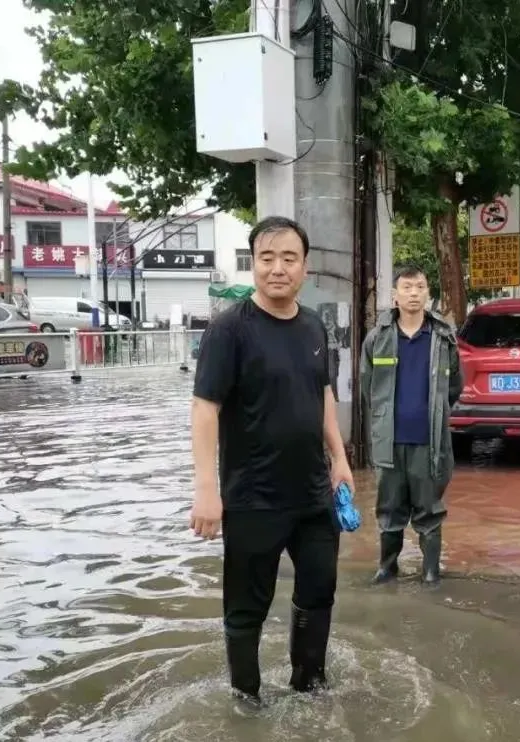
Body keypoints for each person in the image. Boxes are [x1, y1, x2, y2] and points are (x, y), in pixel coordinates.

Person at [189, 216, 355, 704]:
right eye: (267, 258)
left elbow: (321, 393)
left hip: (312, 494)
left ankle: (309, 686)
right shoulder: (228, 331)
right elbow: (205, 409)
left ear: (304, 266)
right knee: (246, 609)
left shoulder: (312, 325)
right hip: (252, 498)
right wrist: (206, 490)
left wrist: (339, 458)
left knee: (318, 592)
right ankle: (247, 700)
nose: (278, 268)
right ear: (253, 264)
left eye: (289, 258)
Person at [359, 265, 461, 585]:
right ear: (395, 295)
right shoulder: (378, 338)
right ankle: (388, 566)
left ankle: (430, 569)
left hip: (428, 441)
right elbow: (368, 387)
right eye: (407, 287)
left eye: (419, 287)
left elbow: (454, 386)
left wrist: (435, 414)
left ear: (428, 293)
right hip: (390, 440)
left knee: (429, 508)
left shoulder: (442, 338)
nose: (414, 294)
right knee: (388, 507)